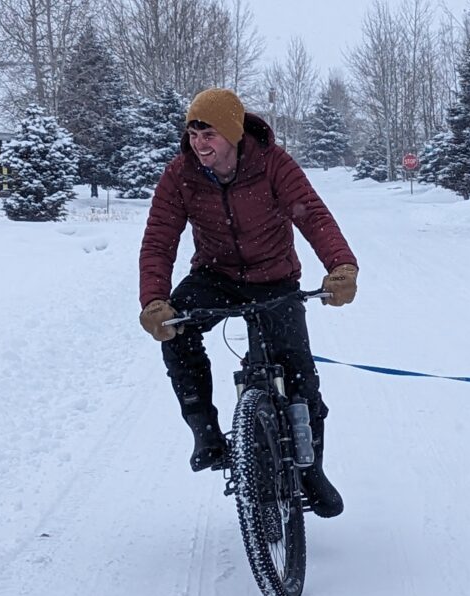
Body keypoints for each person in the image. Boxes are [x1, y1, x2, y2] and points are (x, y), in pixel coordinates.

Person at [137, 87, 358, 518]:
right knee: (175, 333)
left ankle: (312, 471)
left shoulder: (273, 165)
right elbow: (158, 240)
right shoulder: (180, 174)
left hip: (275, 280)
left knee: (301, 378)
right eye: (193, 132)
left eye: (209, 134)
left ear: (234, 134)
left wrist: (341, 268)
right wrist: (154, 301)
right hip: (214, 276)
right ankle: (205, 431)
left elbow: (313, 215)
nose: (199, 143)